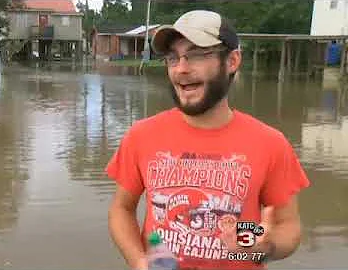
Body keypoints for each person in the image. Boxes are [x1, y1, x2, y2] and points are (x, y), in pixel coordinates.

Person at [105, 10, 310, 270]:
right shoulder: (142, 135)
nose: (181, 69)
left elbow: (288, 227)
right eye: (172, 58)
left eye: (197, 55)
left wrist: (260, 247)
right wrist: (139, 261)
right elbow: (121, 210)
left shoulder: (270, 143)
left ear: (232, 60)